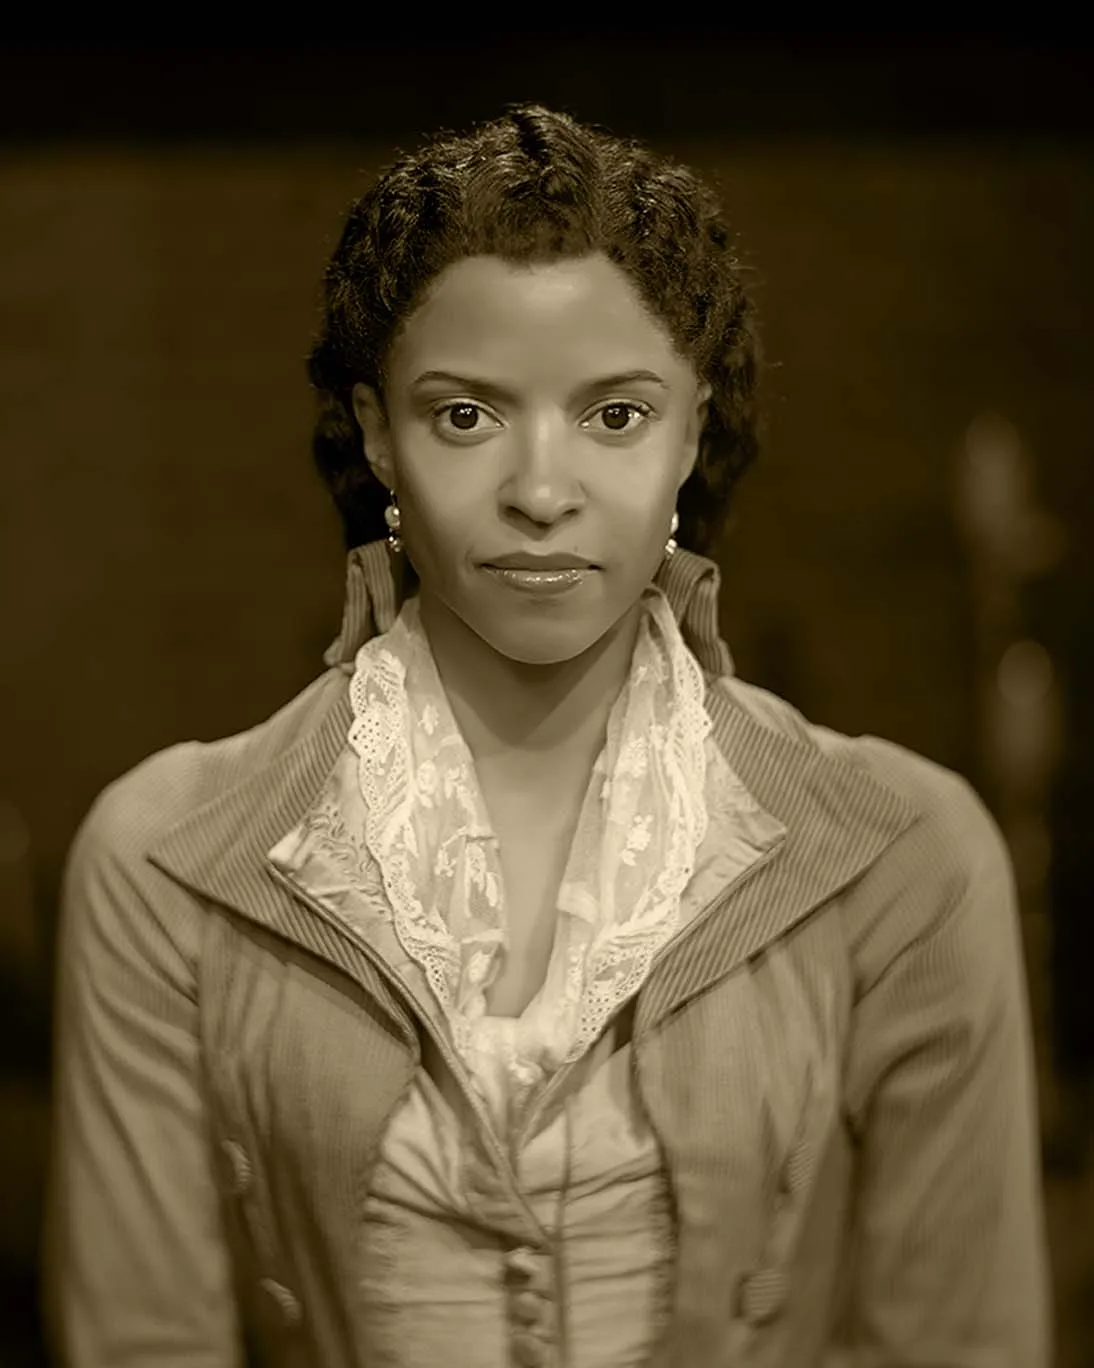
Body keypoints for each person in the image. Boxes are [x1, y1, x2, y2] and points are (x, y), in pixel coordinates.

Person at [43, 105, 1050, 1367]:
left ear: (691, 429)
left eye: (614, 416)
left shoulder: (903, 858)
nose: (537, 488)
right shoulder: (162, 864)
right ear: (375, 434)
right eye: (464, 415)